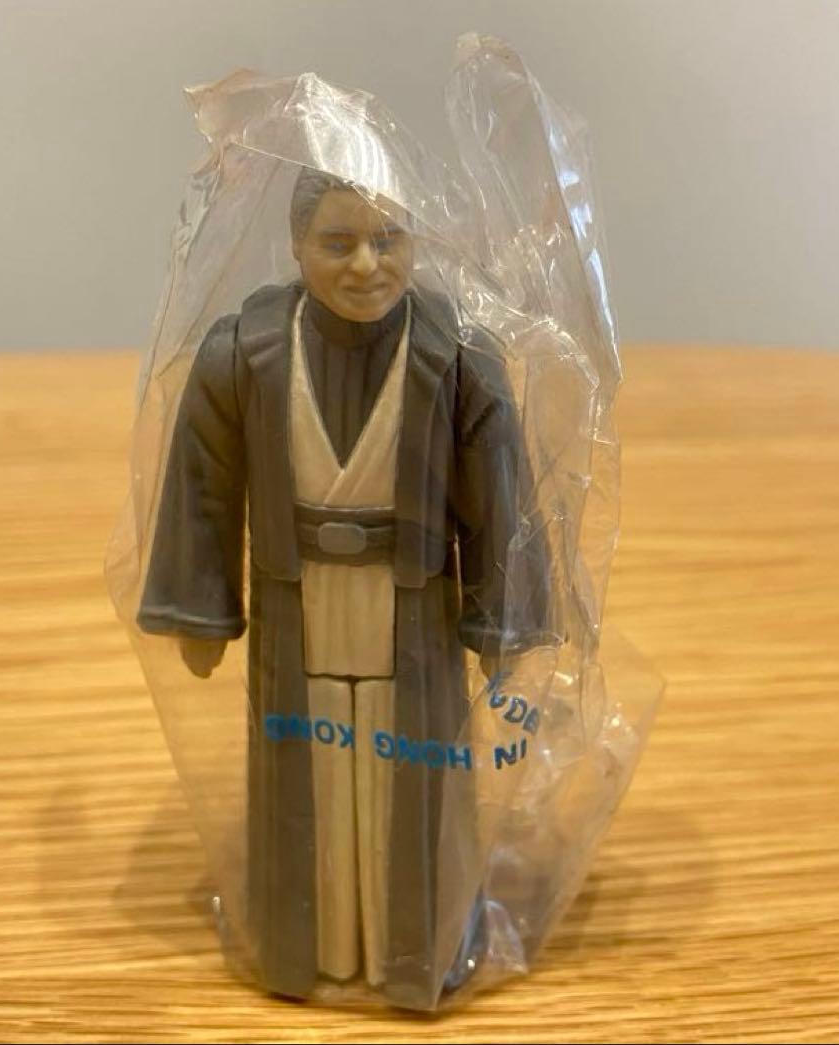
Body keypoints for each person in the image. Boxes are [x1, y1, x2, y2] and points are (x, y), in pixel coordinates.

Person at [137, 168, 553, 1009]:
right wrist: (201, 608)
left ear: (414, 241)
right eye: (338, 241)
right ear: (297, 247)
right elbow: (202, 483)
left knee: (413, 789)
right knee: (308, 789)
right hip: (296, 607)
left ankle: (414, 950)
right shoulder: (241, 352)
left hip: (414, 611)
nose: (366, 263)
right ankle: (311, 948)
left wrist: (501, 619)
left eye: (386, 238)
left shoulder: (458, 356)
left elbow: (499, 495)